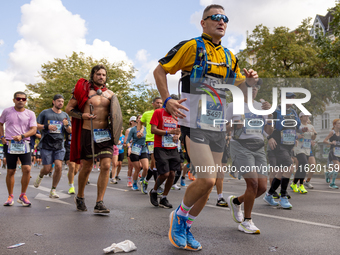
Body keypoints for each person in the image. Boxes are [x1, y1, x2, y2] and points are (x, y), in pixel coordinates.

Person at [153, 4, 258, 250]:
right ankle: (178, 218)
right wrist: (167, 99)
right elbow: (160, 70)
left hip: (218, 126)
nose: (222, 22)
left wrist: (251, 83)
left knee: (208, 187)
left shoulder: (231, 57)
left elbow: (240, 91)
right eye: (216, 18)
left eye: (225, 18)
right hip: (193, 123)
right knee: (208, 179)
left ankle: (186, 225)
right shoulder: (191, 47)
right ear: (203, 22)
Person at [66, 64, 115, 213]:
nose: (101, 77)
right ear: (93, 75)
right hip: (88, 132)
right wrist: (82, 115)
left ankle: (99, 202)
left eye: (104, 75)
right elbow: (68, 109)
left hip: (105, 134)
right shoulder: (84, 92)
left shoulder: (111, 95)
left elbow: (116, 116)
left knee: (106, 165)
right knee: (86, 167)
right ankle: (80, 196)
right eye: (98, 74)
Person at [226, 82, 273, 234]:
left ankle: (236, 201)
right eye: (250, 86)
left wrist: (270, 115)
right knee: (252, 183)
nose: (254, 89)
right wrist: (234, 124)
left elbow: (268, 131)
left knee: (262, 188)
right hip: (240, 145)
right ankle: (247, 221)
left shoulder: (261, 106)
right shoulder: (234, 105)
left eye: (256, 87)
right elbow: (222, 126)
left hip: (258, 146)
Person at [263, 92, 304, 209]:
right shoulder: (275, 111)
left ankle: (269, 194)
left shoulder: (294, 112)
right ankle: (283, 196)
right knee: (290, 167)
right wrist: (269, 137)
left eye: (292, 98)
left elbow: (297, 127)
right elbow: (266, 127)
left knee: (281, 173)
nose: (291, 100)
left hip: (289, 145)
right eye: (288, 98)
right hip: (278, 144)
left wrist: (300, 131)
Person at [0, 91, 37, 206]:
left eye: (23, 99)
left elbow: (34, 129)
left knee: (27, 169)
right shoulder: (7, 111)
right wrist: (2, 137)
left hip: (24, 143)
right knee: (11, 170)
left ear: (26, 101)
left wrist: (22, 136)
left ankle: (23, 195)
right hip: (10, 144)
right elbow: (0, 124)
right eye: (18, 98)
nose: (21, 101)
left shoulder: (30, 113)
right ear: (14, 100)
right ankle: (10, 196)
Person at [33, 94, 72, 198]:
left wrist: (66, 125)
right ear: (53, 102)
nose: (61, 103)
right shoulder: (45, 113)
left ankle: (53, 190)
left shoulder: (65, 115)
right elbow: (35, 125)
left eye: (62, 102)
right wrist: (47, 126)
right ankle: (41, 175)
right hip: (46, 143)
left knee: (59, 166)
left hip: (59, 144)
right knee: (47, 169)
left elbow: (70, 130)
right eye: (59, 101)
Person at [149, 94, 181, 208]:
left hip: (173, 147)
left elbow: (179, 130)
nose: (176, 107)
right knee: (165, 174)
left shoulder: (177, 115)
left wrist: (178, 135)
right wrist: (169, 132)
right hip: (160, 147)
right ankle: (154, 190)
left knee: (172, 174)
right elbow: (153, 130)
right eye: (174, 104)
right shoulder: (158, 112)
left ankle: (164, 197)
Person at [138, 97, 163, 192]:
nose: (159, 104)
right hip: (151, 140)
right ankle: (158, 186)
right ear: (153, 104)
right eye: (157, 103)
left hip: (162, 140)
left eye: (160, 103)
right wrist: (138, 131)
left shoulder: (164, 113)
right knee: (156, 161)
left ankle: (145, 180)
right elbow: (140, 122)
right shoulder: (147, 114)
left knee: (154, 164)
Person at [290, 113, 317, 194]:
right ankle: (301, 185)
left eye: (308, 116)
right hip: (299, 148)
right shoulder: (298, 126)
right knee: (304, 164)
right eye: (305, 116)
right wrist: (298, 137)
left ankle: (294, 183)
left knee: (302, 167)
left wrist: (314, 134)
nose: (307, 117)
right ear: (300, 117)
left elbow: (313, 137)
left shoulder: (311, 126)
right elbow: (292, 135)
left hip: (307, 149)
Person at [125, 114, 148, 192]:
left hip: (144, 149)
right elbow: (127, 141)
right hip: (135, 149)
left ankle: (142, 180)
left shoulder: (146, 129)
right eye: (139, 118)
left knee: (146, 168)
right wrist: (129, 148)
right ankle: (134, 183)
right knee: (137, 168)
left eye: (142, 118)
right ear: (137, 120)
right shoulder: (133, 129)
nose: (141, 120)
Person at [323, 119, 340, 189]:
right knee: (338, 167)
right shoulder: (332, 132)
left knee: (336, 168)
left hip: (339, 152)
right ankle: (332, 183)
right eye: (338, 123)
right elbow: (324, 140)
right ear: (334, 125)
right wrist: (331, 143)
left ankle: (328, 174)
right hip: (333, 152)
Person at [124, 116, 137, 187]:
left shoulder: (139, 129)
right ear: (131, 122)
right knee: (131, 166)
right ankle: (129, 181)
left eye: (136, 121)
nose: (136, 122)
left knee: (139, 166)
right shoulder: (128, 130)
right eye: (134, 121)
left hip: (138, 149)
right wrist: (131, 141)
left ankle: (135, 179)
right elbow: (125, 141)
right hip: (131, 149)